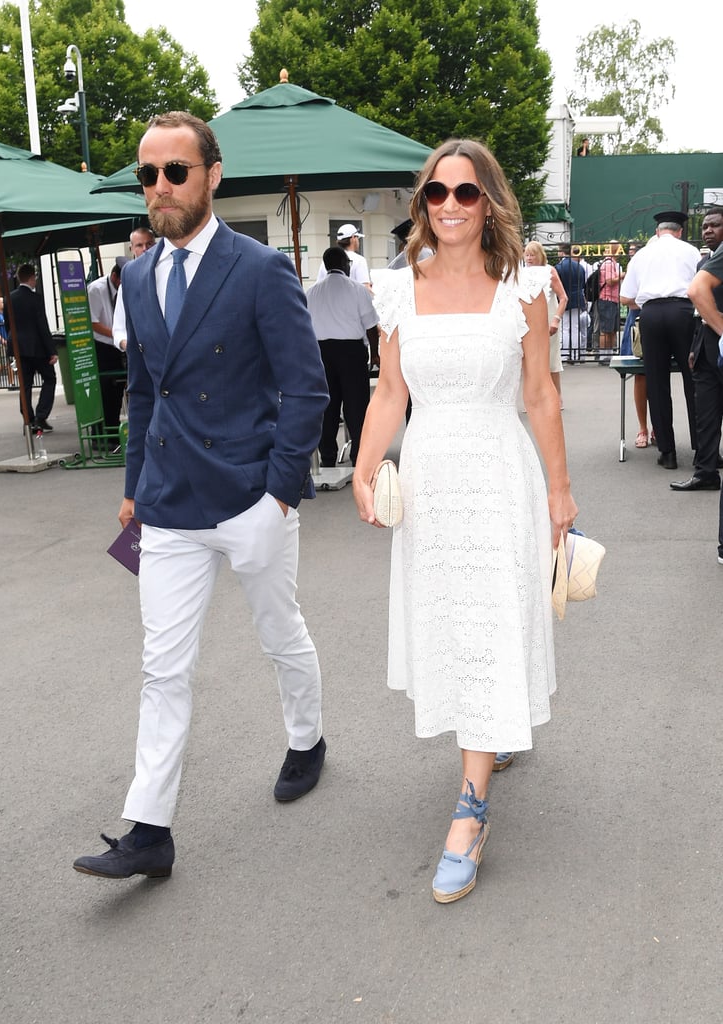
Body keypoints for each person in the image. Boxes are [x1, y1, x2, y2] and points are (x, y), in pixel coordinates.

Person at [73, 110, 329, 881]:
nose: (159, 187)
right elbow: (144, 392)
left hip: (249, 496)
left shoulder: (257, 268)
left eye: (174, 172)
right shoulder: (138, 276)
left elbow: (306, 389)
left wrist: (278, 495)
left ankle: (307, 737)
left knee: (278, 631)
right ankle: (149, 830)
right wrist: (133, 490)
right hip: (170, 504)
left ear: (212, 176)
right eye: (147, 174)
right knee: (162, 667)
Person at [352, 138, 577, 904]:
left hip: (498, 476)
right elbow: (389, 393)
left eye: (466, 193)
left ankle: (470, 811)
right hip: (431, 482)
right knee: (455, 625)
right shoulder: (398, 291)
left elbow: (540, 395)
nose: (449, 205)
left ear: (490, 203)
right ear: (422, 206)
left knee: (485, 622)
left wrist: (560, 492)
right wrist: (361, 464)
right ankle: (491, 737)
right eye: (436, 194)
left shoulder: (525, 287)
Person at [621, 211, 699, 472]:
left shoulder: (642, 254)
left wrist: (646, 300)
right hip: (684, 312)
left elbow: (625, 297)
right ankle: (703, 449)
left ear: (657, 232)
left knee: (657, 382)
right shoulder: (691, 251)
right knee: (694, 380)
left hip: (651, 315)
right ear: (679, 231)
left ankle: (667, 453)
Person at [306, 246, 379, 466]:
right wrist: (374, 354)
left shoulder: (311, 292)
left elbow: (304, 328)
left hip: (320, 353)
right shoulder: (357, 290)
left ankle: (327, 457)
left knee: (327, 407)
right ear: (345, 265)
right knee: (356, 406)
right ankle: (359, 455)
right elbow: (371, 326)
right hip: (351, 352)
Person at [677, 208, 723, 493]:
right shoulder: (705, 263)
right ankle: (705, 471)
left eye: (715, 225)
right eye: (705, 226)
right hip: (706, 348)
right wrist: (695, 347)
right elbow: (699, 311)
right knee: (705, 415)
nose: (707, 231)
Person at [7, 264, 58, 432]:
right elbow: (42, 325)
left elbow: (8, 324)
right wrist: (52, 350)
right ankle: (41, 416)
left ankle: (27, 420)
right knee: (50, 378)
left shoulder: (10, 298)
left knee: (25, 384)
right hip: (37, 348)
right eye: (34, 277)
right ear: (31, 278)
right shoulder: (36, 298)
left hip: (19, 347)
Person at [524, 241, 568, 408]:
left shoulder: (550, 271)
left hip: (549, 319)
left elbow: (563, 297)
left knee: (551, 360)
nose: (529, 258)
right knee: (530, 361)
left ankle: (557, 396)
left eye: (532, 254)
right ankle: (534, 399)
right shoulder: (522, 273)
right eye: (527, 254)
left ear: (540, 256)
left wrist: (556, 319)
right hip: (529, 322)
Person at [620, 244, 653, 448]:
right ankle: (643, 428)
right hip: (638, 324)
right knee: (640, 376)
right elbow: (625, 299)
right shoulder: (637, 264)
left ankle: (659, 426)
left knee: (660, 376)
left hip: (660, 322)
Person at [87, 264, 126, 431]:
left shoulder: (119, 290)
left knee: (116, 390)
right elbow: (93, 323)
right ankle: (102, 431)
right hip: (102, 346)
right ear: (115, 277)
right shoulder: (96, 289)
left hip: (115, 346)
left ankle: (113, 427)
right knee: (105, 391)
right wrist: (117, 334)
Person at [113, 227, 156, 352]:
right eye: (139, 245)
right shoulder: (127, 283)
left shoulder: (170, 272)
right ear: (131, 249)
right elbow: (119, 330)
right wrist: (129, 346)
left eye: (149, 244)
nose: (145, 249)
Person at [555, 244, 587, 362]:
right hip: (577, 298)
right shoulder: (580, 267)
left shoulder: (558, 267)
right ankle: (576, 354)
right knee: (575, 327)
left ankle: (565, 354)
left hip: (564, 299)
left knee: (565, 328)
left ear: (561, 252)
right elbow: (583, 283)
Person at [596, 241, 624, 355]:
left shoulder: (611, 262)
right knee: (606, 329)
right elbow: (609, 281)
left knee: (611, 329)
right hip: (607, 299)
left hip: (612, 299)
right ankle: (604, 355)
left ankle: (609, 353)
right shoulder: (608, 263)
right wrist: (621, 276)